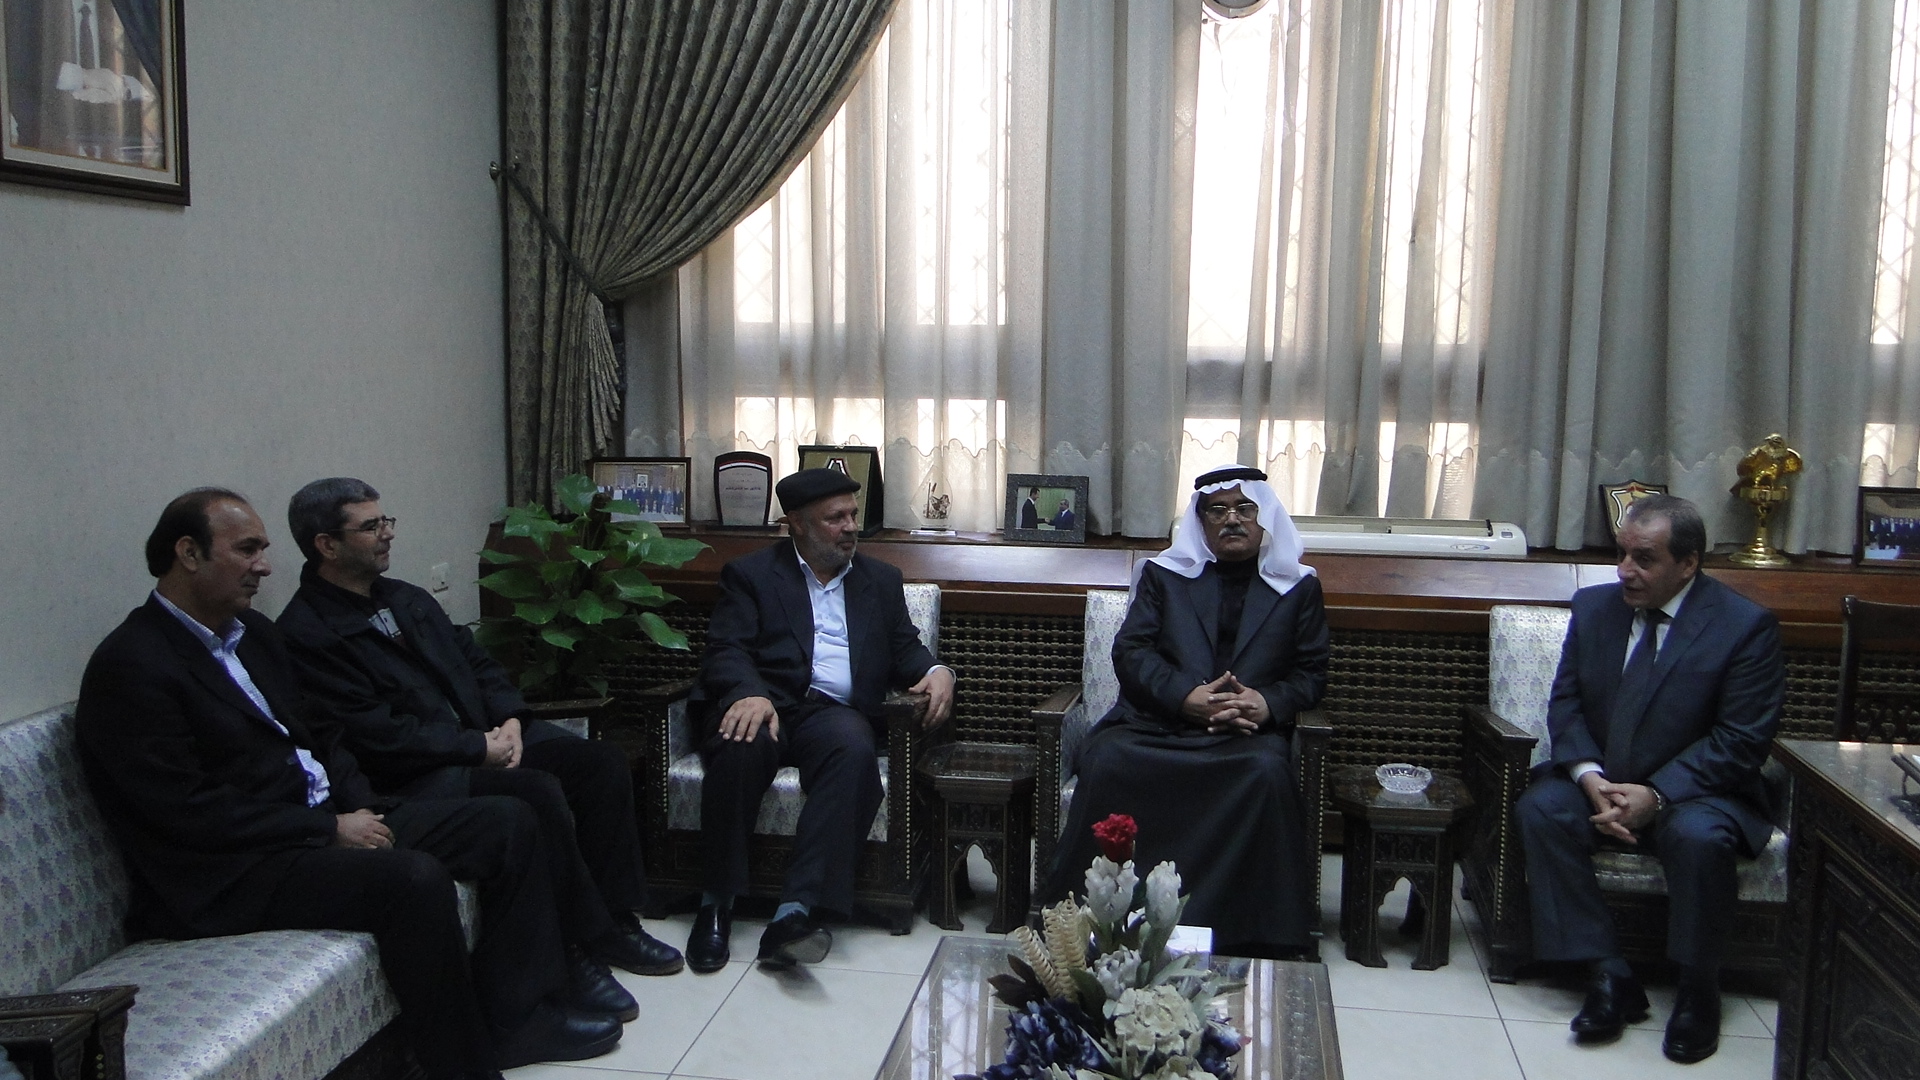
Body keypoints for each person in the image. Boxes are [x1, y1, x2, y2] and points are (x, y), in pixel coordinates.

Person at [75, 489, 624, 1080]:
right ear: (188, 553)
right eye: (248, 550)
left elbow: (322, 733)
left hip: (323, 817)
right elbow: (186, 810)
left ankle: (519, 1016)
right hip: (234, 869)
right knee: (412, 880)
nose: (265, 566)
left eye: (263, 549)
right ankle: (461, 1066)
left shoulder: (252, 634)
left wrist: (361, 804)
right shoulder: (132, 666)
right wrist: (327, 828)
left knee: (509, 820)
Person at [274, 478, 684, 996]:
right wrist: (477, 749)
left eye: (386, 521)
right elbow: (377, 735)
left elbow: (477, 662)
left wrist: (510, 718)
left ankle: (618, 922)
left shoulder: (405, 598)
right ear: (327, 545)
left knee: (599, 764)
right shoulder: (307, 634)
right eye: (371, 526)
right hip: (419, 773)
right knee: (535, 791)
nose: (388, 534)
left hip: (484, 736)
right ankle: (574, 946)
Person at [1514, 494, 1782, 1064]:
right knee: (1542, 809)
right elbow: (1566, 705)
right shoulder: (1594, 609)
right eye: (1622, 554)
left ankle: (1698, 988)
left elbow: (1741, 740)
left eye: (1644, 559)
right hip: (1604, 779)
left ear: (1688, 564)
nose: (1624, 571)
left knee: (1699, 837)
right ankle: (1609, 973)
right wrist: (1589, 777)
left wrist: (1656, 795)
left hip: (1699, 791)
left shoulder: (1743, 627)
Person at [1040, 465, 1328, 957]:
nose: (1232, 519)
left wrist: (1266, 703)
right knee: (1106, 759)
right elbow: (1132, 653)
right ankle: (1094, 919)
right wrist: (1184, 698)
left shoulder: (1298, 587)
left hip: (1243, 736)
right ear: (1201, 521)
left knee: (1267, 774)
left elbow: (1312, 674)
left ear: (1264, 517)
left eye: (1244, 508)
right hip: (1157, 724)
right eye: (1218, 510)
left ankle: (1249, 932)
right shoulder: (1164, 576)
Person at [685, 468, 955, 972]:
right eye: (836, 519)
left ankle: (794, 914)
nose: (850, 527)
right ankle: (715, 903)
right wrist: (748, 692)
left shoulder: (879, 580)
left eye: (853, 515)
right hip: (765, 703)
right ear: (797, 524)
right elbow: (727, 648)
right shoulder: (751, 575)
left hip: (831, 714)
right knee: (740, 744)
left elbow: (906, 650)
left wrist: (939, 671)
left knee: (852, 750)